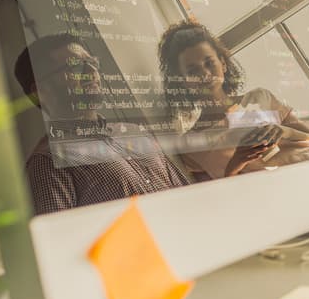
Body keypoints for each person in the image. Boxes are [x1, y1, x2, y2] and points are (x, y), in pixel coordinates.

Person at [15, 32, 188, 215]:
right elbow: (61, 240)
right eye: (75, 66)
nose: (91, 72)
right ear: (41, 91)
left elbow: (185, 196)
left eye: (92, 63)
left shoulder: (134, 132)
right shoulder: (46, 162)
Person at [156, 20, 309, 180]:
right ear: (182, 81)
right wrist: (237, 162)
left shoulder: (260, 97)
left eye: (209, 63)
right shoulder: (189, 145)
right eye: (193, 71)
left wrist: (284, 131)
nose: (205, 74)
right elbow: (216, 196)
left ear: (223, 63)